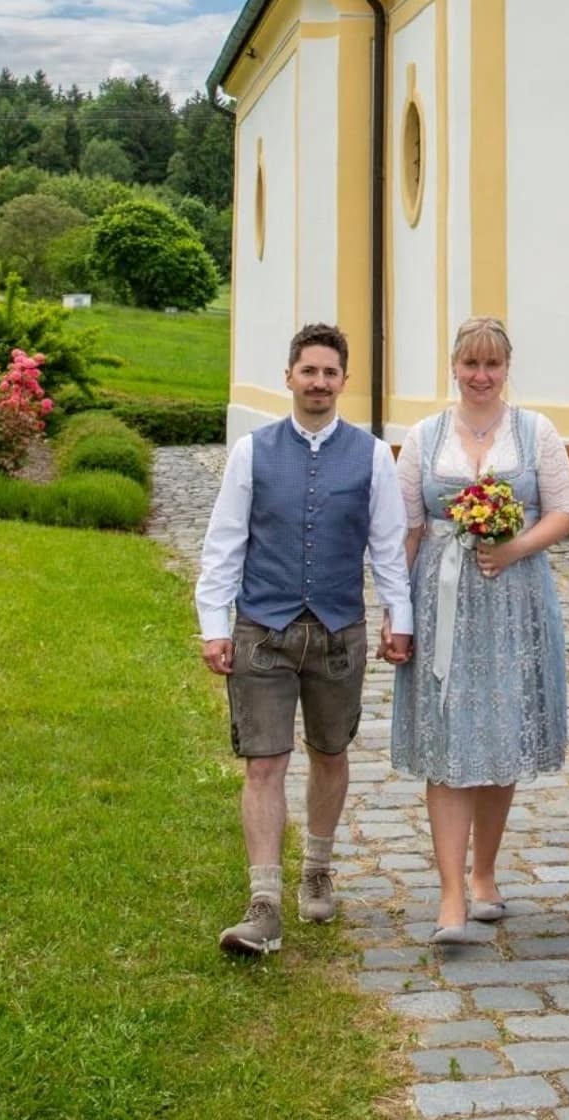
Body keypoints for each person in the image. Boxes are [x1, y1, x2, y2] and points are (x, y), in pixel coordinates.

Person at [198, 323, 412, 957]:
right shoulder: (253, 451)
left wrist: (399, 616)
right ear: (288, 376)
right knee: (264, 761)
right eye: (308, 371)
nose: (319, 382)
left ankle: (317, 867)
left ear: (343, 382)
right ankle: (263, 900)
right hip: (263, 627)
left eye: (329, 373)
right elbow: (224, 543)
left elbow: (387, 545)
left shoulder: (372, 455)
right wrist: (215, 625)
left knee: (330, 752)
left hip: (337, 631)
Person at [387, 317, 569, 943]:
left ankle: (485, 874)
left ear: (506, 368)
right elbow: (408, 527)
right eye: (470, 364)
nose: (480, 375)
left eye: (492, 365)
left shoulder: (535, 431)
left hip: (513, 598)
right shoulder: (424, 435)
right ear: (454, 366)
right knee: (447, 741)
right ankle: (448, 895)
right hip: (442, 601)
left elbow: (565, 512)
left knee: (500, 734)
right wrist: (397, 610)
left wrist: (516, 546)